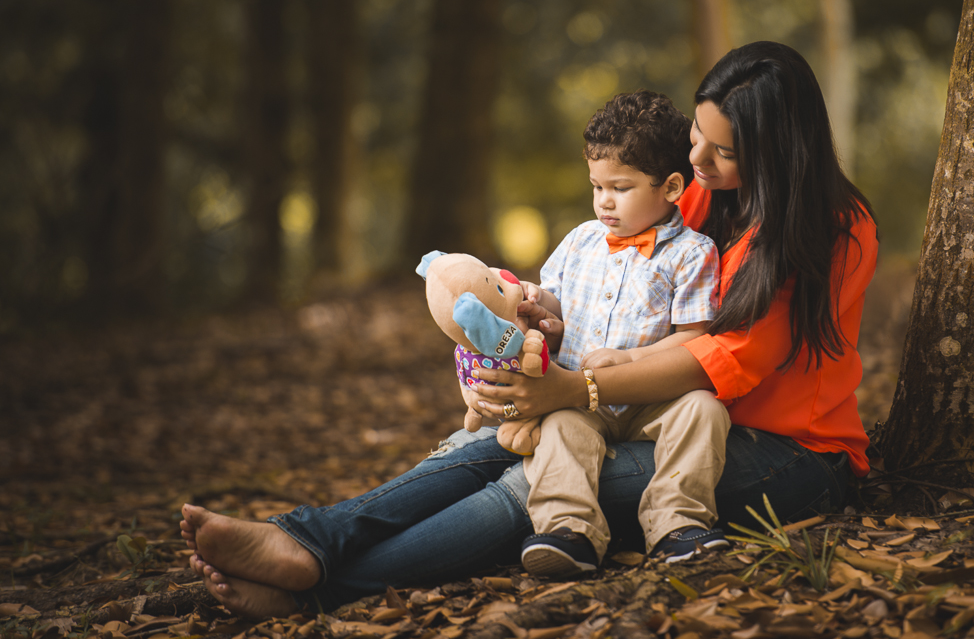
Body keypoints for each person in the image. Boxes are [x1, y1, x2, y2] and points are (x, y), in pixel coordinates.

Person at [180, 41, 878, 618]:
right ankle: (310, 538)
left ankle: (319, 583)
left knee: (536, 477)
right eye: (698, 136)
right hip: (653, 410)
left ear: (780, 153)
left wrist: (579, 387)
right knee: (489, 439)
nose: (698, 162)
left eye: (722, 152)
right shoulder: (696, 191)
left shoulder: (833, 231)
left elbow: (715, 359)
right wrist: (523, 358)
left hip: (781, 454)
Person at [519, 90, 729, 578]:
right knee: (558, 430)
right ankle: (568, 531)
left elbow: (694, 337)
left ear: (672, 187)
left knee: (704, 409)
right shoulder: (581, 240)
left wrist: (631, 360)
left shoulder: (692, 254)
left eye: (621, 187)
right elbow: (556, 304)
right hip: (578, 397)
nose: (604, 202)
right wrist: (537, 307)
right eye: (596, 186)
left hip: (648, 400)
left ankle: (679, 524)